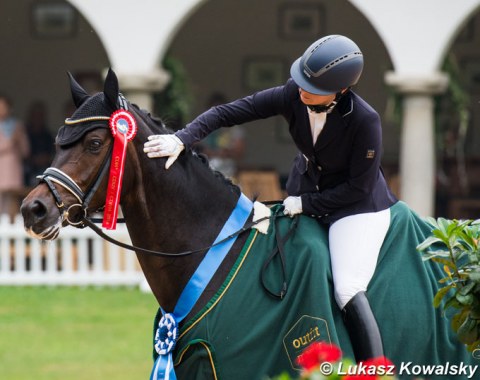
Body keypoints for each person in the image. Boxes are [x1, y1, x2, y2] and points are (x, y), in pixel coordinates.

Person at [143, 35, 398, 362]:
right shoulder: (293, 93)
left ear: (342, 91)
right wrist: (181, 140)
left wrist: (306, 205)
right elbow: (227, 113)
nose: (300, 89)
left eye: (312, 88)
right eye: (302, 81)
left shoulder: (365, 120)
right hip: (307, 193)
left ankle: (373, 368)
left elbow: (359, 188)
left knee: (347, 288)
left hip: (356, 210)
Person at [197, 92, 245, 178]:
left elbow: (239, 152)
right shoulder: (202, 126)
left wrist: (226, 152)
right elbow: (194, 147)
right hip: (205, 173)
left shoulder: (233, 128)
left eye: (220, 110)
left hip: (228, 173)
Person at [0, 94, 30, 217]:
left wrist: (20, 137)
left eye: (3, 106)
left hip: (13, 172)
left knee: (13, 202)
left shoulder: (17, 126)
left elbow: (26, 151)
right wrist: (11, 141)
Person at [23, 101, 55, 187]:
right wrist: (33, 159)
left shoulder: (48, 135)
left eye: (40, 115)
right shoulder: (24, 134)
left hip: (45, 171)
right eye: (35, 115)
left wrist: (46, 159)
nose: (38, 118)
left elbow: (54, 155)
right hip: (27, 173)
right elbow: (22, 154)